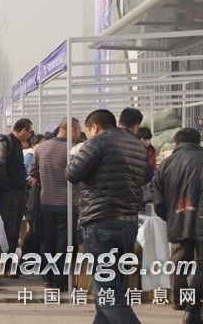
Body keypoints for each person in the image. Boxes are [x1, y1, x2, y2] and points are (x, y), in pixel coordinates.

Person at [66, 109, 147, 324]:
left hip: (102, 220)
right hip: (129, 222)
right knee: (116, 286)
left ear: (94, 127)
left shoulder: (97, 142)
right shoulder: (137, 145)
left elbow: (72, 173)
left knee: (106, 290)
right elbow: (146, 176)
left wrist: (78, 152)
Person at [153, 128, 203, 318]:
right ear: (198, 141)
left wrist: (170, 216)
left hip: (178, 219)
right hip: (200, 220)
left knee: (179, 263)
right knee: (201, 265)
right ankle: (194, 302)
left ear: (176, 143)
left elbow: (157, 200)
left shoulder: (166, 164)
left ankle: (179, 301)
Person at [28, 118, 80, 290]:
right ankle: (60, 280)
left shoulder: (41, 147)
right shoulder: (75, 150)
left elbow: (33, 172)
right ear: (72, 129)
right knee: (64, 244)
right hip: (68, 204)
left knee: (47, 241)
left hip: (46, 202)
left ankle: (47, 278)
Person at [0, 118, 33, 262]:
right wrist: (6, 190)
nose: (30, 135)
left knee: (15, 229)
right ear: (23, 130)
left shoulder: (16, 144)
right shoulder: (5, 143)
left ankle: (11, 260)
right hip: (9, 195)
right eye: (29, 132)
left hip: (18, 193)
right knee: (8, 229)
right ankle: (6, 261)